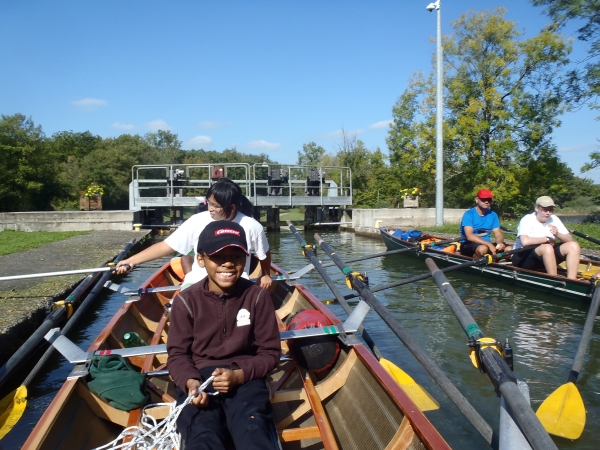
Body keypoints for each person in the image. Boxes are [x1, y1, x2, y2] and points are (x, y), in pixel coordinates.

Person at [167, 220, 281, 450]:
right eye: (218, 257)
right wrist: (191, 382)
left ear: (246, 259)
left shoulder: (257, 297)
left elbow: (270, 353)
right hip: (200, 380)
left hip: (245, 378)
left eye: (237, 257)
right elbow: (178, 356)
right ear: (201, 259)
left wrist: (239, 376)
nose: (228, 264)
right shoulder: (185, 301)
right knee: (203, 434)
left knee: (252, 429)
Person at [116, 179, 272, 289]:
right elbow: (165, 246)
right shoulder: (197, 220)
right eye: (209, 203)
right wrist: (131, 261)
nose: (210, 208)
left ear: (232, 207)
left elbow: (264, 253)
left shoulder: (251, 226)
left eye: (216, 206)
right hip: (198, 280)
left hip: (236, 281)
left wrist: (266, 275)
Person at [512, 196, 581, 279]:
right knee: (547, 247)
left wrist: (557, 234)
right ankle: (554, 280)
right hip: (522, 257)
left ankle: (572, 280)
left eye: (551, 209)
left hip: (546, 255)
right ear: (536, 208)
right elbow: (525, 242)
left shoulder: (554, 219)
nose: (548, 213)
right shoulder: (527, 219)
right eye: (545, 209)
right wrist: (547, 239)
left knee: (573, 245)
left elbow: (570, 239)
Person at [459, 189, 512, 258]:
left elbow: (498, 233)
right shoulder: (469, 214)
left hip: (486, 244)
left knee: (509, 249)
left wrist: (500, 243)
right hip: (468, 244)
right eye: (483, 199)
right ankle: (475, 263)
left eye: (489, 200)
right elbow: (470, 236)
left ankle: (500, 263)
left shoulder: (493, 215)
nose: (486, 202)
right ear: (477, 200)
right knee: (483, 249)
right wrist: (489, 244)